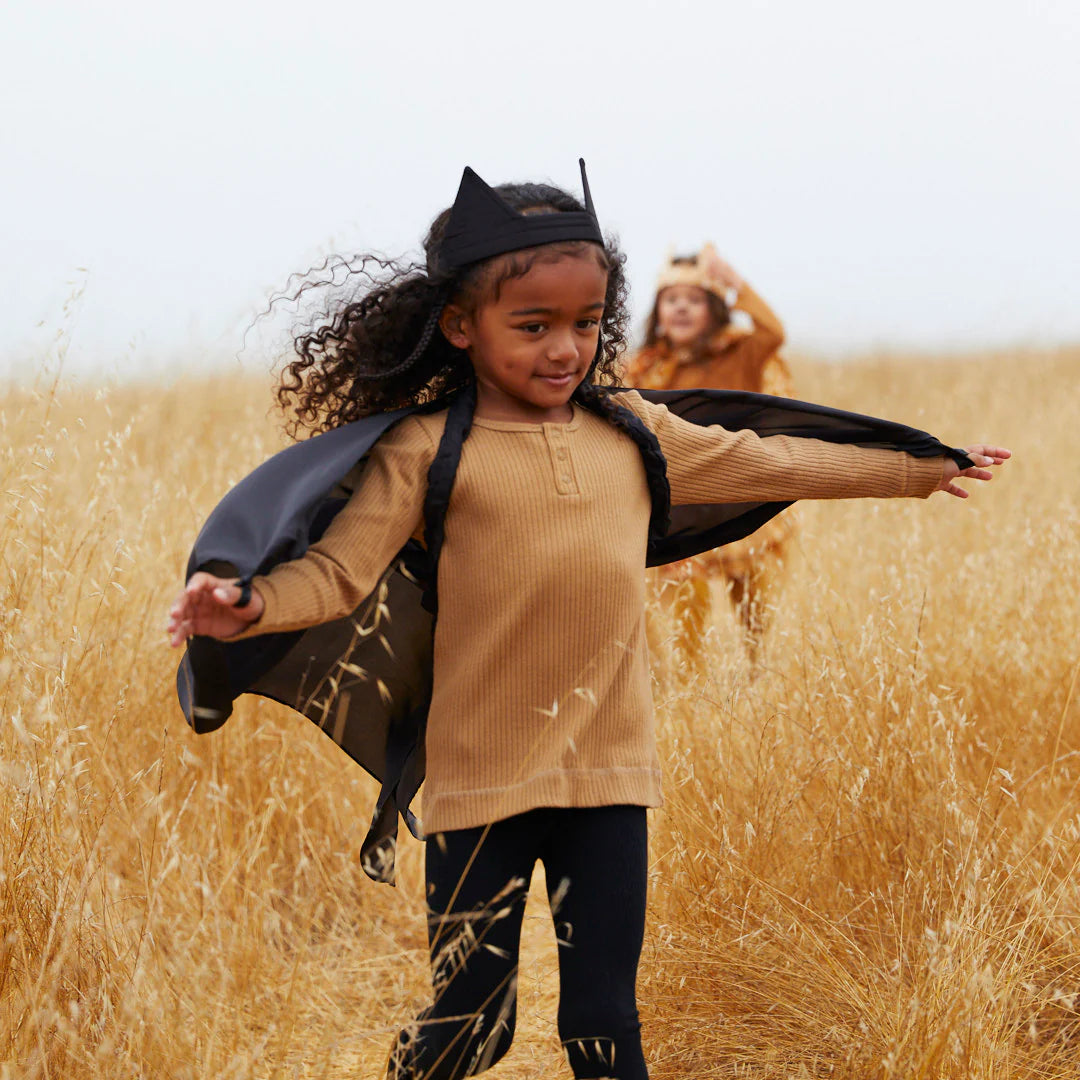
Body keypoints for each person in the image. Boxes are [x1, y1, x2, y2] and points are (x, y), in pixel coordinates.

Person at [167, 162, 1008, 1080]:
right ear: (461, 326)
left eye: (584, 323)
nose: (564, 349)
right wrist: (247, 605)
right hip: (479, 784)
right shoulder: (424, 451)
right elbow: (332, 577)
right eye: (532, 327)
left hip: (610, 778)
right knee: (469, 1028)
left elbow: (775, 460)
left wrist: (919, 467)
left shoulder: (634, 433)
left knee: (605, 1023)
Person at [626, 245, 794, 668]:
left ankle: (761, 675)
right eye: (671, 299)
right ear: (658, 311)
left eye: (694, 299)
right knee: (684, 600)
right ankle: (693, 692)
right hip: (685, 506)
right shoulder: (647, 369)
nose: (681, 308)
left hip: (745, 498)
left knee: (757, 605)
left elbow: (773, 333)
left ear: (715, 309)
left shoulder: (741, 353)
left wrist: (736, 282)